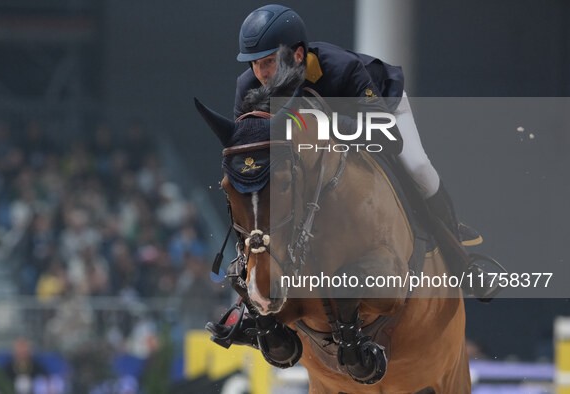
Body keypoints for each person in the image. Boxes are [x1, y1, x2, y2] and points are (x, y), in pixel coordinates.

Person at [207, 3, 498, 361]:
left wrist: (322, 130)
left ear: (297, 54)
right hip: (312, 157)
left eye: (268, 62)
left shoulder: (340, 69)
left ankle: (461, 259)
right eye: (254, 63)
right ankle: (250, 304)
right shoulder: (248, 87)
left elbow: (386, 135)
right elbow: (251, 156)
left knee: (419, 167)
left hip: (380, 114)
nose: (260, 73)